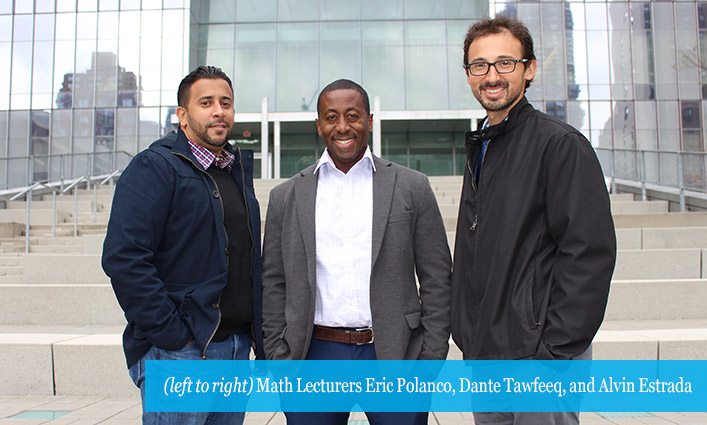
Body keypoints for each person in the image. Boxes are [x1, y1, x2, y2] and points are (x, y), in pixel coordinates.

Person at [451, 16, 616, 425]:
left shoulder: (559, 145)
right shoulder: (483, 148)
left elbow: (588, 252)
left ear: (530, 69)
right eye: (479, 65)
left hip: (539, 359)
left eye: (505, 63)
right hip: (487, 356)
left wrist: (556, 350)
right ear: (469, 75)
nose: (491, 76)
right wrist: (468, 335)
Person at [261, 79, 452, 425]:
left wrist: (431, 355)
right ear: (318, 125)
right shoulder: (286, 196)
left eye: (353, 115)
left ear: (370, 120)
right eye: (331, 117)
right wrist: (277, 355)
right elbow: (274, 282)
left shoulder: (412, 187)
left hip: (395, 355)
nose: (343, 126)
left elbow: (437, 277)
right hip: (314, 355)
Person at [102, 65, 264, 425]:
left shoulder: (235, 172)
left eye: (226, 102)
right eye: (205, 102)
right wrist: (174, 337)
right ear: (183, 115)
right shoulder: (155, 167)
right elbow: (124, 258)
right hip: (183, 354)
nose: (218, 111)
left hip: (236, 350)